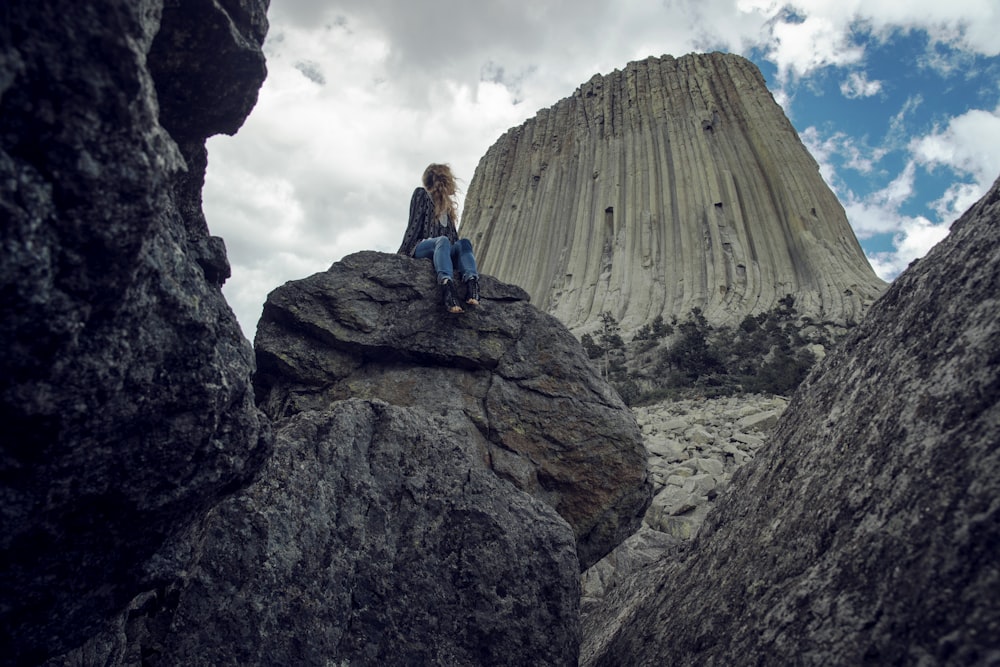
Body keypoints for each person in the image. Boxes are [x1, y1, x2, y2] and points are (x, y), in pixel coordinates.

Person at [398, 163, 480, 313]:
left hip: (443, 249)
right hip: (421, 247)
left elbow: (454, 240)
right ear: (443, 179)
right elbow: (413, 226)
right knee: (442, 240)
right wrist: (401, 255)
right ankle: (447, 288)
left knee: (464, 243)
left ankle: (472, 284)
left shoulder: (447, 208)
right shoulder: (421, 194)